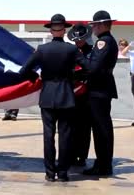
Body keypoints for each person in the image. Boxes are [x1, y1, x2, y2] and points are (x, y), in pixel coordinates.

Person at [19, 14, 85, 182]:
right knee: (65, 136)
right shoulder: (72, 50)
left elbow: (24, 71)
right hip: (66, 96)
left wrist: (38, 78)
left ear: (51, 31)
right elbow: (88, 67)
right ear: (64, 31)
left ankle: (50, 173)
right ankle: (62, 173)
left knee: (48, 136)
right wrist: (74, 76)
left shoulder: (42, 50)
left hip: (47, 95)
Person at [82, 10, 118, 176]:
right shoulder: (107, 41)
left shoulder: (103, 42)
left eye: (95, 25)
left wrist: (78, 59)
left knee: (101, 129)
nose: (93, 28)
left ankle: (103, 165)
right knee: (101, 128)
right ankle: (103, 163)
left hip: (99, 90)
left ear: (103, 25)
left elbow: (93, 67)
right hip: (101, 88)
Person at [67, 22, 93, 167]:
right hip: (71, 92)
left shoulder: (92, 51)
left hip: (86, 93)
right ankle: (70, 154)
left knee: (84, 127)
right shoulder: (70, 51)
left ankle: (82, 156)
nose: (78, 42)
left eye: (80, 39)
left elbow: (91, 68)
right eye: (76, 40)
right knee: (70, 127)